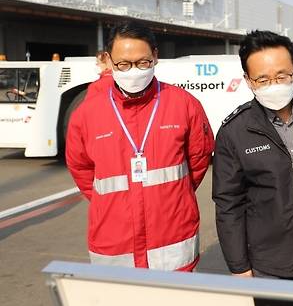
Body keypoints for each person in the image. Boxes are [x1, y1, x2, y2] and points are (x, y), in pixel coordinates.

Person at [66, 20, 213, 271]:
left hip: (173, 240)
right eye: (123, 64)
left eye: (142, 62)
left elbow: (198, 161)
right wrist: (113, 202)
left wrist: (169, 196)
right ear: (109, 61)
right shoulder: (87, 114)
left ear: (155, 56)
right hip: (113, 243)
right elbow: (81, 169)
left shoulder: (184, 105)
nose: (133, 70)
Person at [213, 30, 293, 282]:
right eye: (262, 79)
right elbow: (229, 203)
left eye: (282, 75)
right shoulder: (235, 132)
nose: (274, 84)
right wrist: (238, 266)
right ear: (248, 81)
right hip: (266, 266)